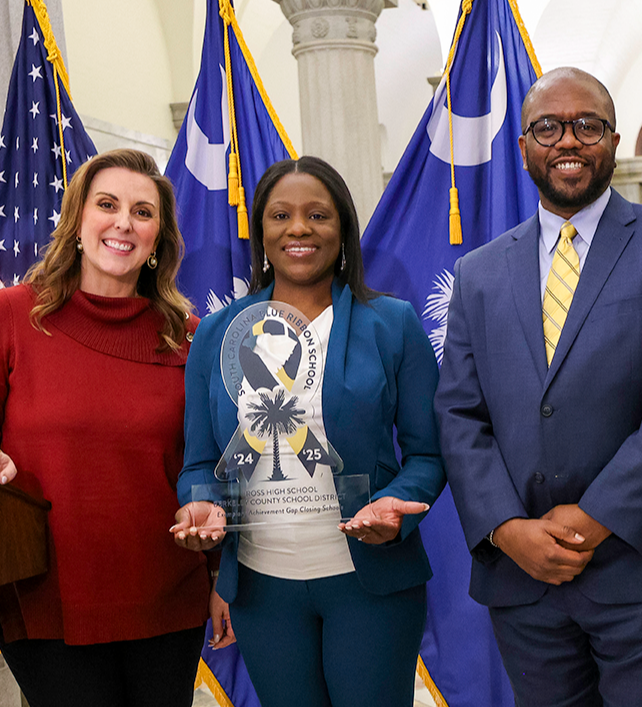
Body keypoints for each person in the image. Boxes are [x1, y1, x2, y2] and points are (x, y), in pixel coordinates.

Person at [436, 67, 642, 706]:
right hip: (523, 580)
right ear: (522, 148)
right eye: (547, 127)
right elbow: (459, 414)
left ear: (614, 140)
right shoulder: (478, 273)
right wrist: (508, 529)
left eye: (587, 125)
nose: (567, 141)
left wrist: (596, 519)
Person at [0, 148, 210, 707]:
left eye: (143, 212)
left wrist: (221, 572)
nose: (123, 223)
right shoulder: (11, 315)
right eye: (107, 205)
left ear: (158, 239)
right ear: (77, 222)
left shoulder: (191, 339)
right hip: (46, 599)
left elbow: (208, 466)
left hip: (168, 598)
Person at [170, 156, 444, 707]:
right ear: (262, 232)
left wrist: (395, 505)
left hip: (369, 584)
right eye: (280, 215)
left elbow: (429, 455)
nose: (298, 228)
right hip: (261, 590)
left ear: (342, 229)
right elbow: (200, 462)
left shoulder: (392, 324)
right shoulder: (216, 333)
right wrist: (199, 507)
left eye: (317, 214)